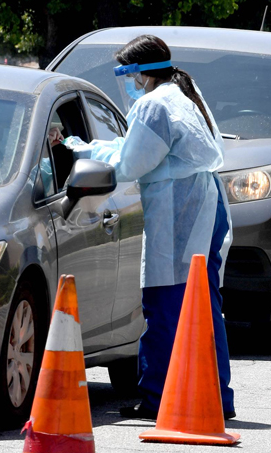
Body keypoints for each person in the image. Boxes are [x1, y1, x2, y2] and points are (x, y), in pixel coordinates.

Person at [75, 34, 236, 419]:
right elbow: (141, 150)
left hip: (179, 215)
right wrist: (94, 149)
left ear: (141, 73)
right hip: (202, 209)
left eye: (127, 74)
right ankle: (217, 398)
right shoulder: (181, 94)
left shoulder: (152, 105)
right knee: (203, 308)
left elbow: (131, 163)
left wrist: (84, 150)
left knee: (164, 307)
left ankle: (156, 399)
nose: (127, 84)